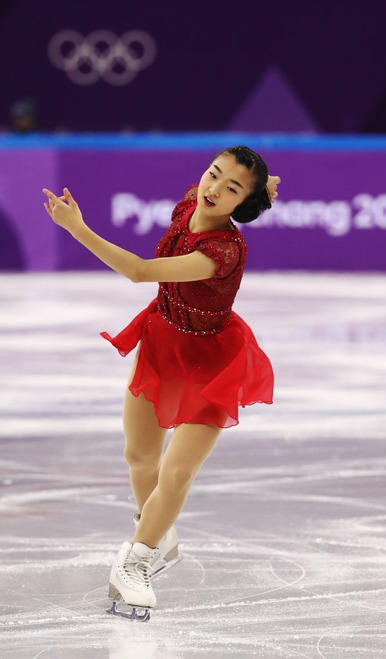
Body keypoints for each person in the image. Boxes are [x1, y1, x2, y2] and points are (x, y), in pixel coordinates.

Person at [43, 145, 280, 618]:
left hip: (213, 362)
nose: (215, 188)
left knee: (176, 472)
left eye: (231, 188)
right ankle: (160, 530)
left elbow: (138, 272)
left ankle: (136, 560)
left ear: (241, 204)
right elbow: (229, 186)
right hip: (162, 340)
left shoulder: (222, 251)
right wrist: (259, 185)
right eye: (214, 174)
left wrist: (77, 228)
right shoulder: (193, 201)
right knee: (139, 456)